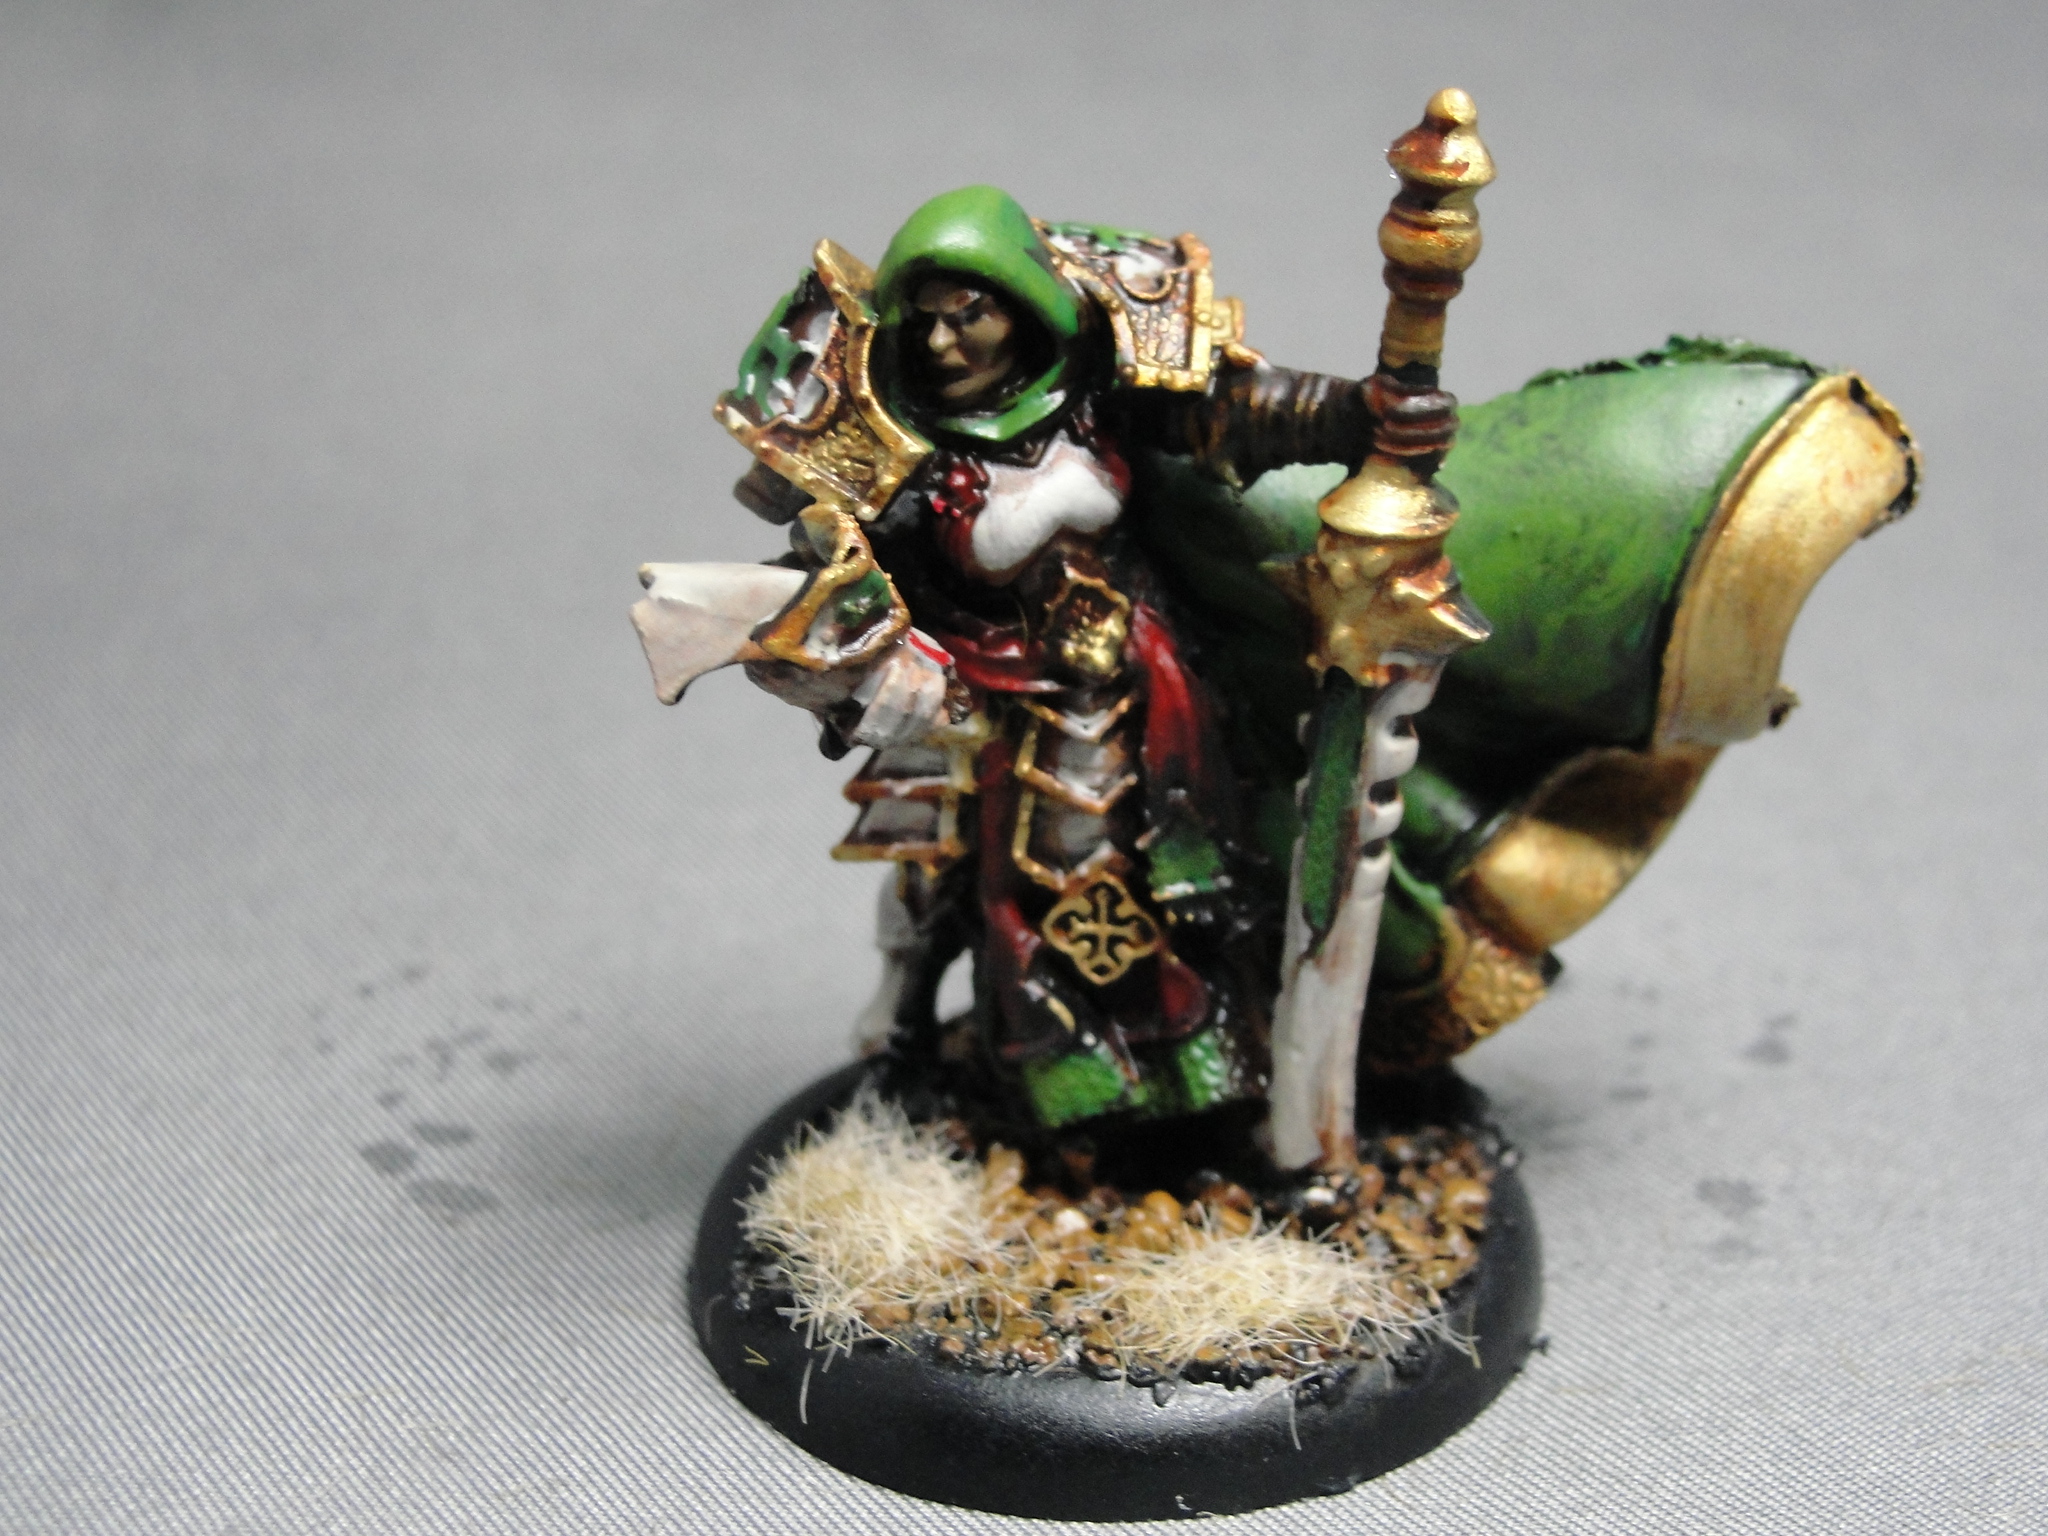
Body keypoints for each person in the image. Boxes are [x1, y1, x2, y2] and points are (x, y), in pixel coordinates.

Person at [719, 185, 1383, 1131]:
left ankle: (1199, 1097)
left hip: (1144, 690)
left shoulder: (1094, 397)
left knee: (1181, 892)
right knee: (999, 891)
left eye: (970, 314)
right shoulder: (906, 451)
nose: (944, 343)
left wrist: (1354, 411)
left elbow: (1230, 413)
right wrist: (820, 620)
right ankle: (1062, 1104)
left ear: (1025, 309)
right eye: (926, 321)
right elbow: (827, 575)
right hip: (992, 703)